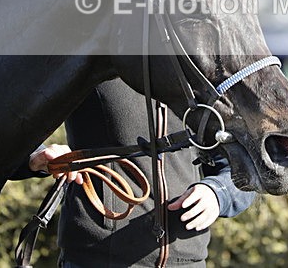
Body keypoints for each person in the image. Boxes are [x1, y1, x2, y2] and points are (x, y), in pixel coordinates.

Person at [21, 78, 256, 267]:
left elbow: (245, 167)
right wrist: (37, 155)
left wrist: (218, 193)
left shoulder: (198, 78)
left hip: (188, 261)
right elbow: (6, 123)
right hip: (97, 258)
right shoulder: (92, 57)